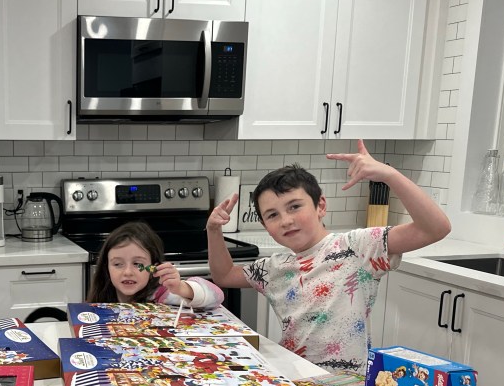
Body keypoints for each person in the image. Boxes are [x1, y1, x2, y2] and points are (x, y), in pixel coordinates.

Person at [206, 140, 451, 373]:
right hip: (296, 379)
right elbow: (224, 275)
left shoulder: (358, 247)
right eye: (272, 215)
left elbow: (435, 229)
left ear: (320, 206)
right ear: (265, 225)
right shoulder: (274, 268)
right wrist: (214, 230)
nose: (286, 220)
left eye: (294, 206)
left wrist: (389, 175)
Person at [88, 221, 224, 308]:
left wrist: (180, 287)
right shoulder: (100, 299)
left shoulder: (162, 295)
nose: (127, 272)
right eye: (118, 264)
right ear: (106, 268)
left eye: (137, 264)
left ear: (153, 267)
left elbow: (217, 296)